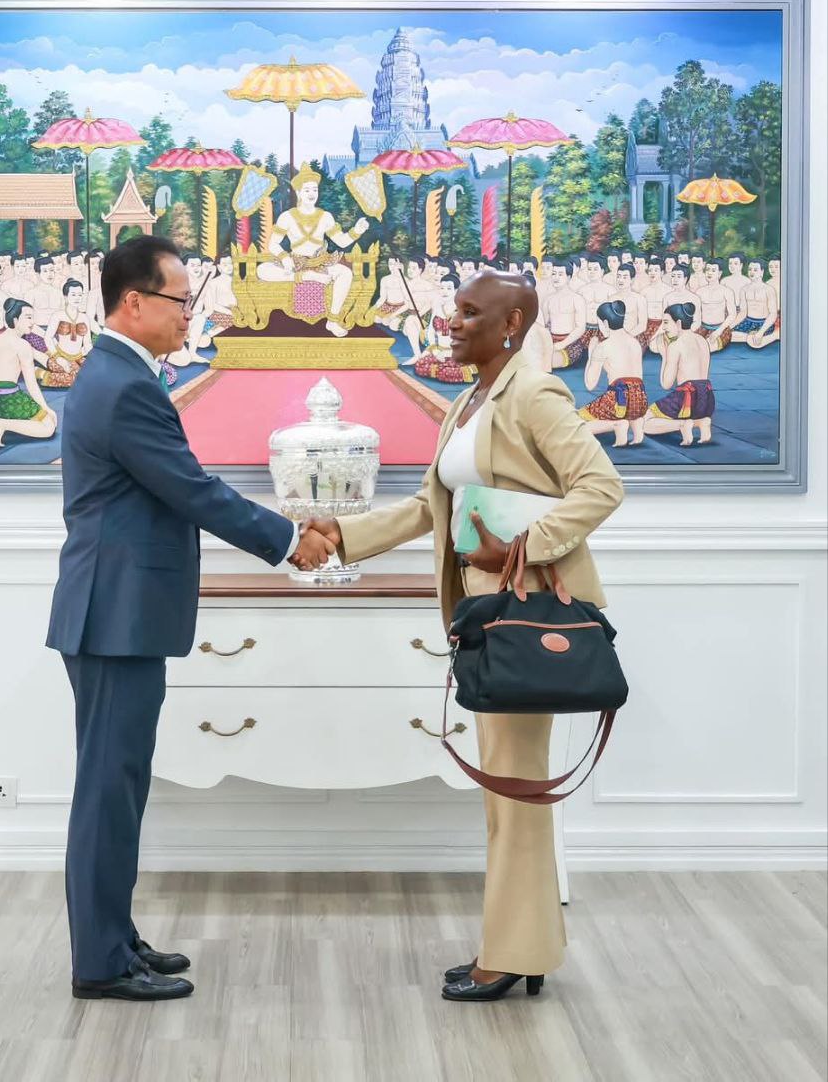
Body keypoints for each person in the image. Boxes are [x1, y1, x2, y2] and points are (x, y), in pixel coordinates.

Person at [306, 272, 623, 1003]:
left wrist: (524, 547)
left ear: (511, 324)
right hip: (484, 613)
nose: (452, 322)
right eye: (453, 310)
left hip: (525, 613)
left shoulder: (534, 394)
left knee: (515, 788)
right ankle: (520, 946)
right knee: (506, 789)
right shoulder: (466, 402)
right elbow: (430, 507)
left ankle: (512, 953)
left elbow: (601, 486)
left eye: (469, 312)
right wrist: (342, 535)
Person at [45, 236, 334, 1003]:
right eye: (180, 301)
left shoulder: (116, 375)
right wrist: (287, 541)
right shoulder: (123, 386)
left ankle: (114, 936)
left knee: (118, 785)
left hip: (115, 610)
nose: (188, 316)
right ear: (134, 302)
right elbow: (191, 488)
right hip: (114, 614)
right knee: (108, 790)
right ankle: (100, 962)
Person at [257, 163, 369, 337]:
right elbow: (273, 244)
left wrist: (357, 231)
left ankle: (332, 321)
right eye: (307, 190)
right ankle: (306, 277)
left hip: (320, 263)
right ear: (298, 192)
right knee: (262, 270)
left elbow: (341, 241)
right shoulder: (287, 216)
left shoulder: (325, 216)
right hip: (297, 263)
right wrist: (285, 258)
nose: (311, 194)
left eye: (314, 190)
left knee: (346, 273)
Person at [0, 299, 58, 447]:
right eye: (28, 317)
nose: (32, 322)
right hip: (9, 397)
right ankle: (4, 424)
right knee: (49, 427)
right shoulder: (23, 345)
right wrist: (46, 408)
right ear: (15, 320)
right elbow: (31, 384)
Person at [643, 301, 715, 445]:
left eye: (666, 322)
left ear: (679, 323)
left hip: (686, 398)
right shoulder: (702, 340)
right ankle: (701, 422)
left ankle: (682, 425)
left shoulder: (675, 345)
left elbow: (666, 384)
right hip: (707, 398)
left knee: (644, 422)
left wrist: (664, 355)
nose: (663, 327)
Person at [578, 299, 648, 446]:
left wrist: (591, 353)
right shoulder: (635, 342)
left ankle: (616, 424)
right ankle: (635, 424)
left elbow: (590, 384)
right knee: (630, 401)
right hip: (640, 400)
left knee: (576, 423)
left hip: (617, 400)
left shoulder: (603, 346)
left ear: (605, 323)